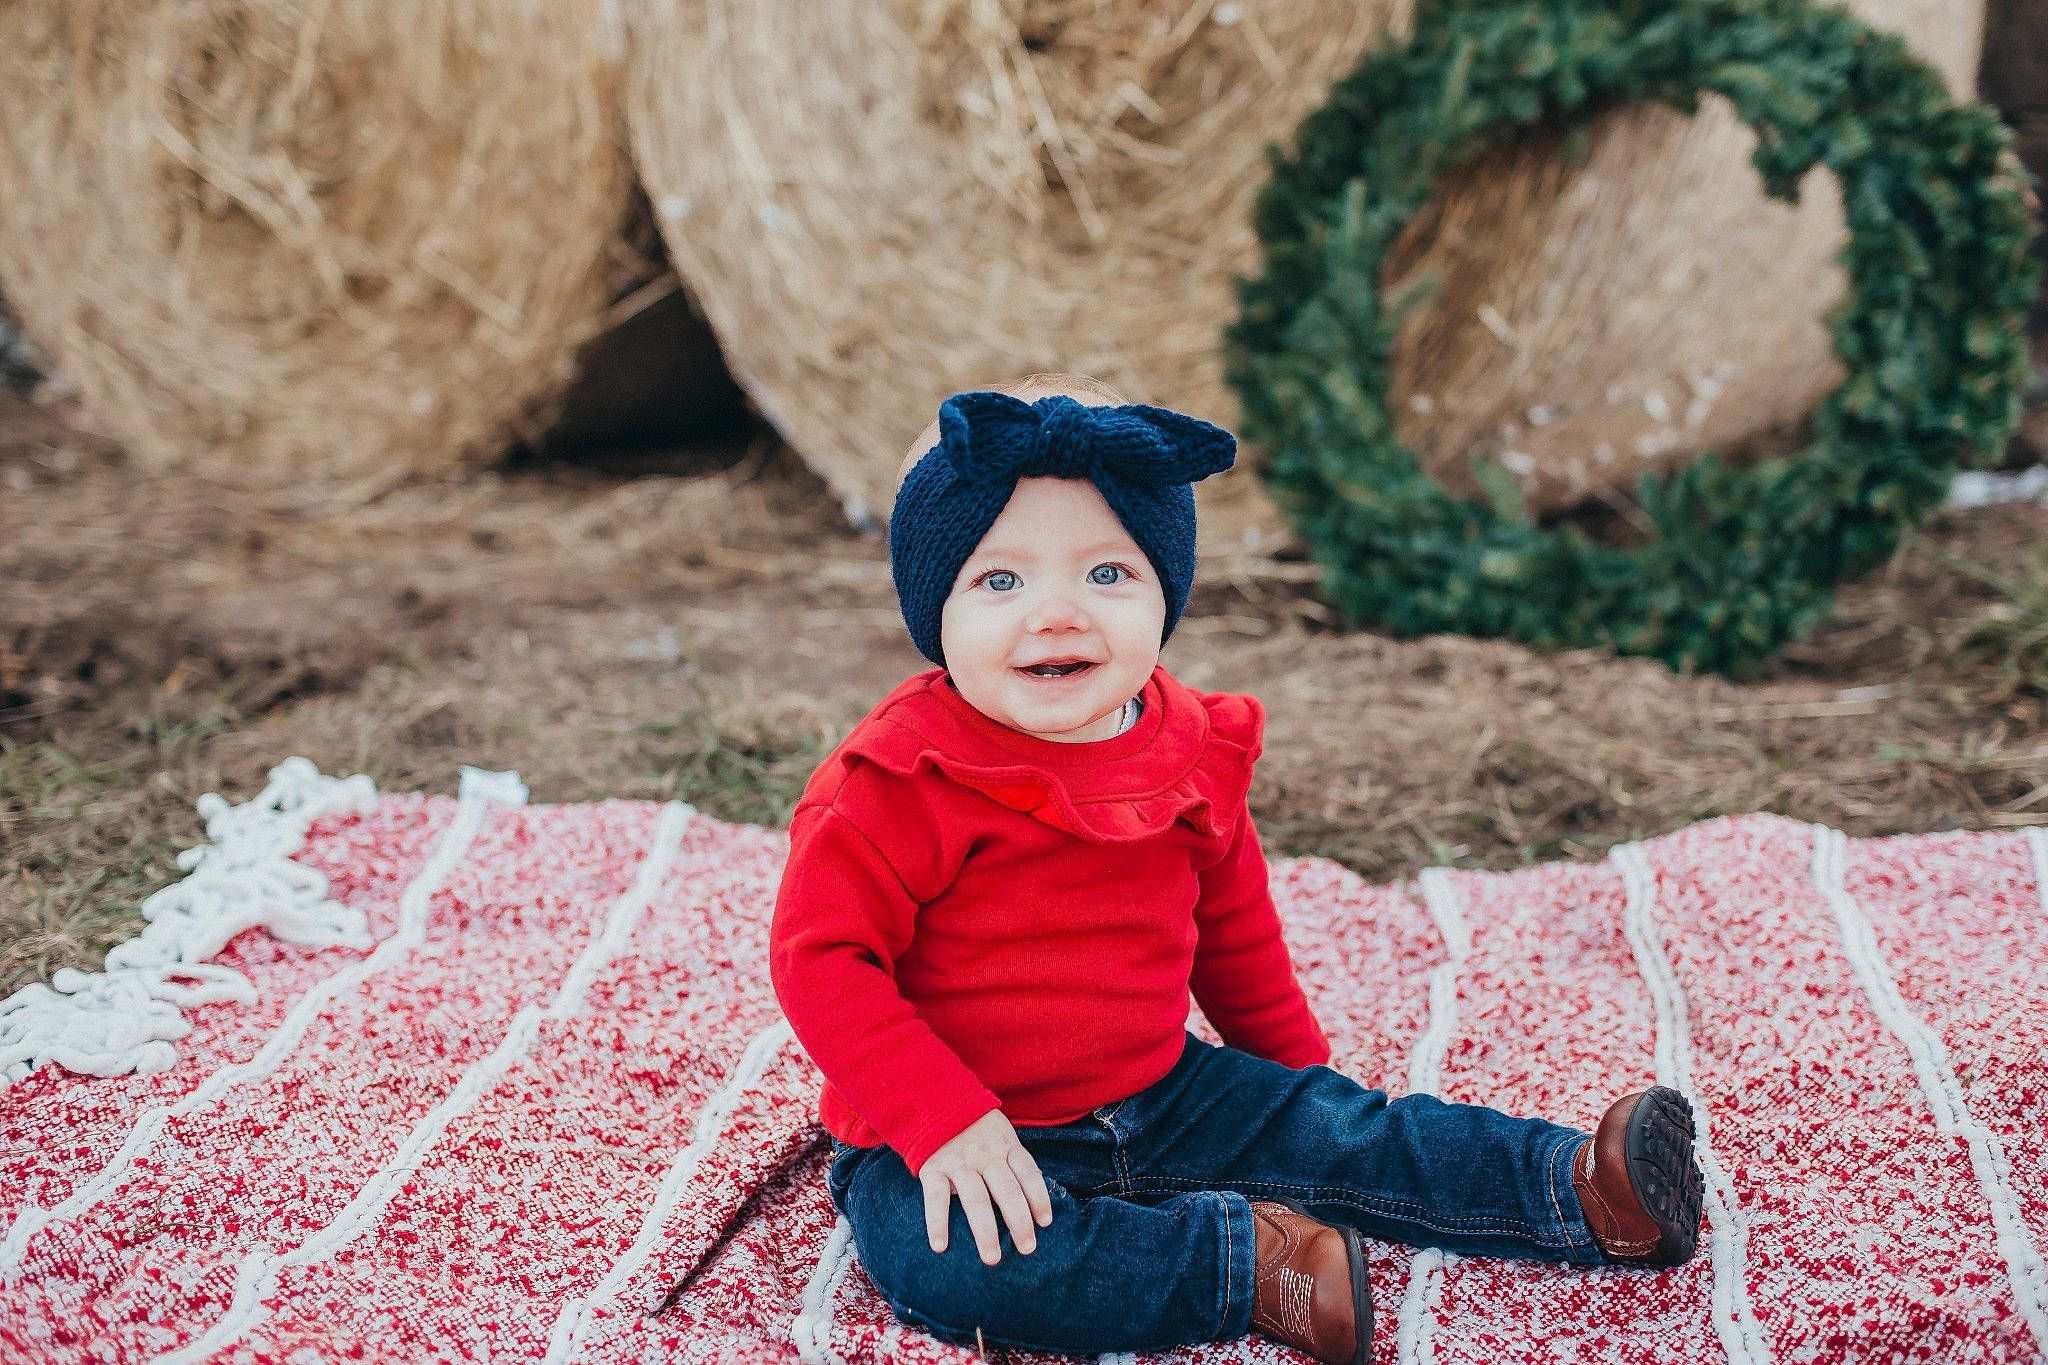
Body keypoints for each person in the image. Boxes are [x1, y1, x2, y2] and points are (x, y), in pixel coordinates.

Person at [767, 374, 1704, 1363]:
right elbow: (821, 961)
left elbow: (1235, 933)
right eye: (998, 582)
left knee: (1352, 1135)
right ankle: (1243, 1266)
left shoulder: (1188, 747)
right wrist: (940, 1120)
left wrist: (1301, 1091)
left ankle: (1579, 1189)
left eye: (1106, 575)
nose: (1055, 615)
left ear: (1163, 592)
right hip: (954, 1135)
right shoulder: (895, 779)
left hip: (1161, 1092)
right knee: (942, 1261)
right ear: (934, 608)